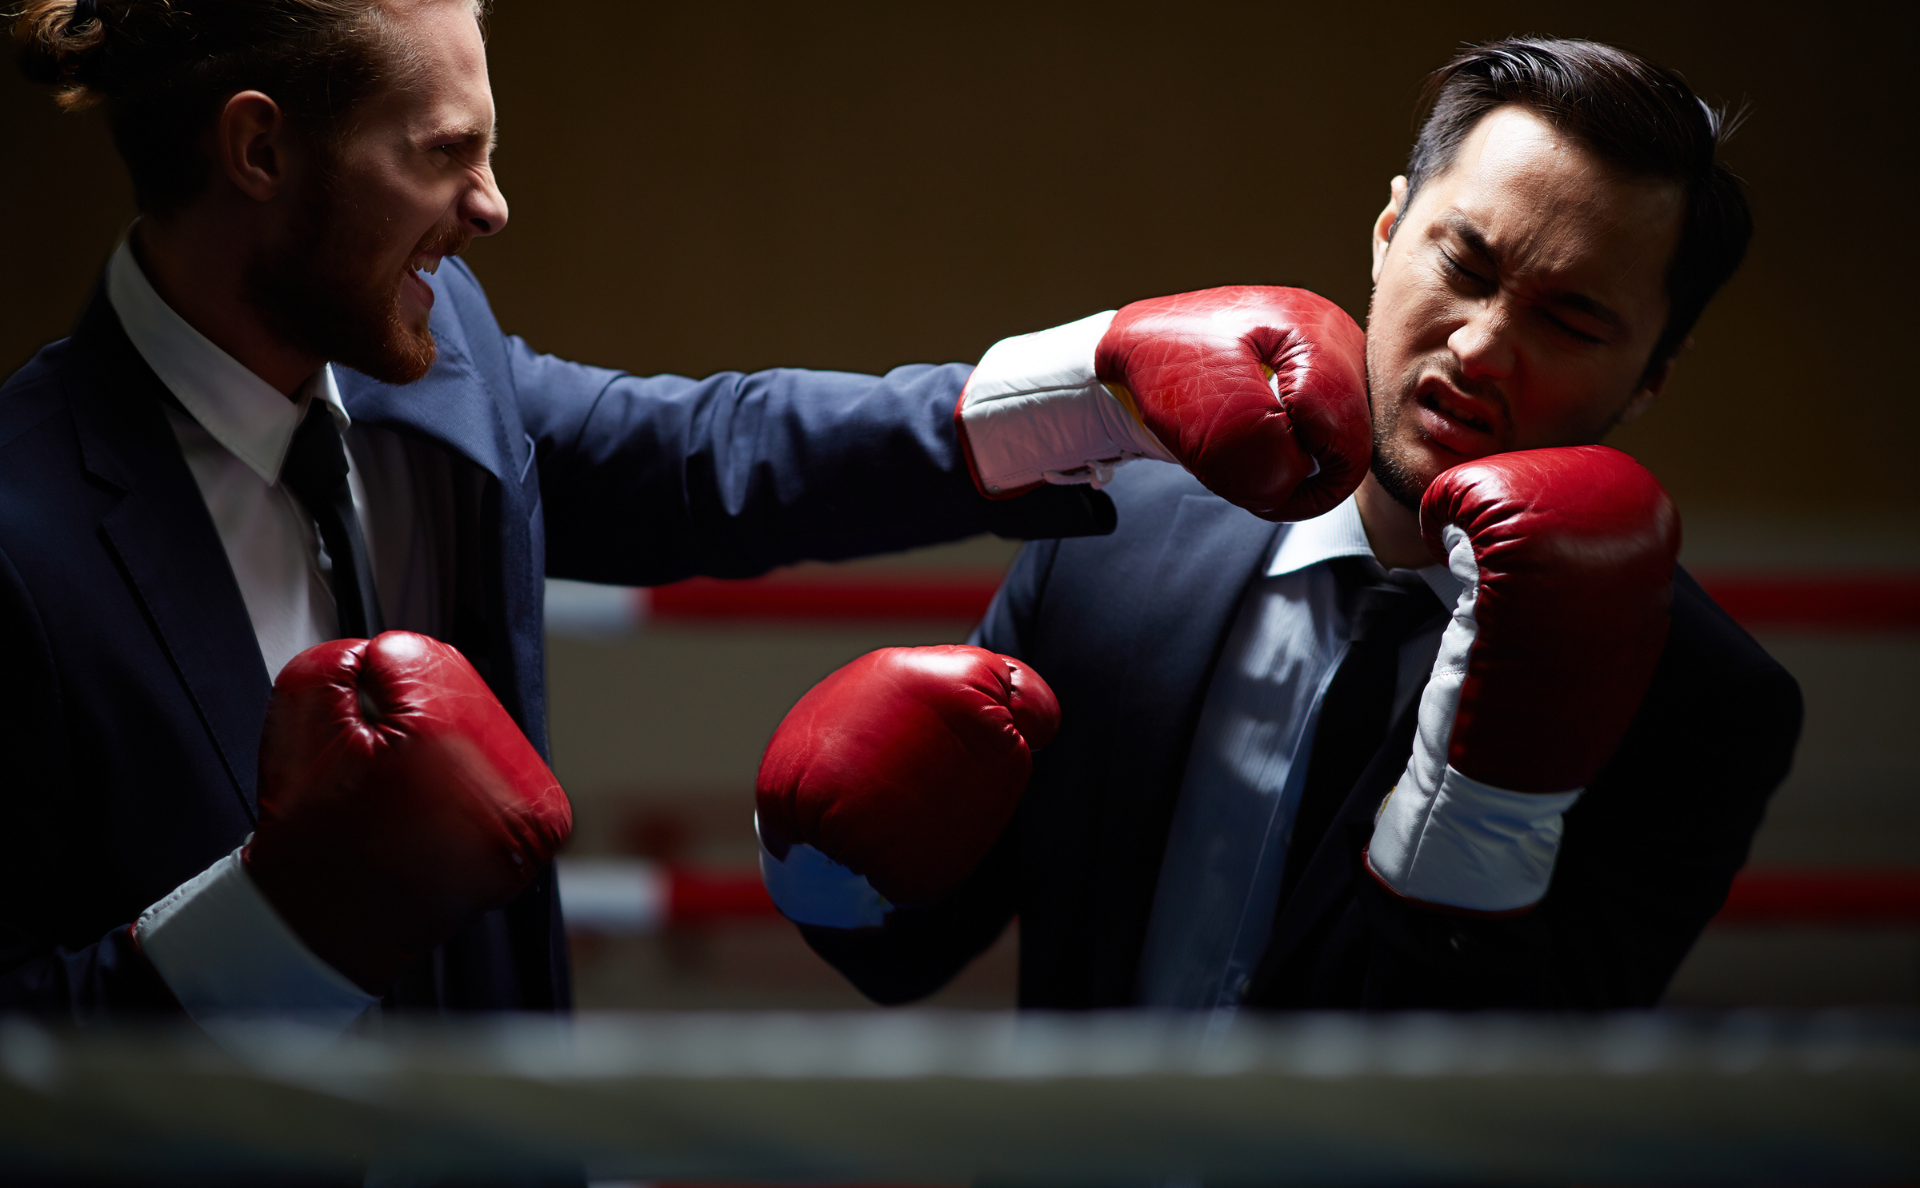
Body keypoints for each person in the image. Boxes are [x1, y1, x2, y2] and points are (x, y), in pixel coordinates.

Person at [0, 0, 1373, 1025]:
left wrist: (1098, 388)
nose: (490, 205)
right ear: (258, 152)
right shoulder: (28, 536)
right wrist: (275, 922)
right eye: (443, 155)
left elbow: (701, 455)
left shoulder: (431, 355)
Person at [758, 37, 1806, 1010]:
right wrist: (827, 869)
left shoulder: (1700, 699)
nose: (1483, 346)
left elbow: (1522, 1084)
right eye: (1465, 268)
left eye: (1571, 319)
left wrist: (1491, 818)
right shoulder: (1120, 538)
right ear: (1389, 233)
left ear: (1655, 373)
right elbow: (909, 950)